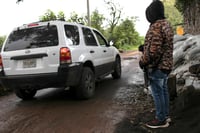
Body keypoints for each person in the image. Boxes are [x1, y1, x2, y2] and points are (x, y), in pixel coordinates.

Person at [139, 0, 174, 129]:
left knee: (158, 93)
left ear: (152, 13)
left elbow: (154, 51)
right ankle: (165, 115)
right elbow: (161, 45)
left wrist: (143, 61)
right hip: (166, 65)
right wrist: (145, 47)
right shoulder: (166, 25)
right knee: (164, 91)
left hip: (157, 67)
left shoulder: (156, 26)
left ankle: (160, 119)